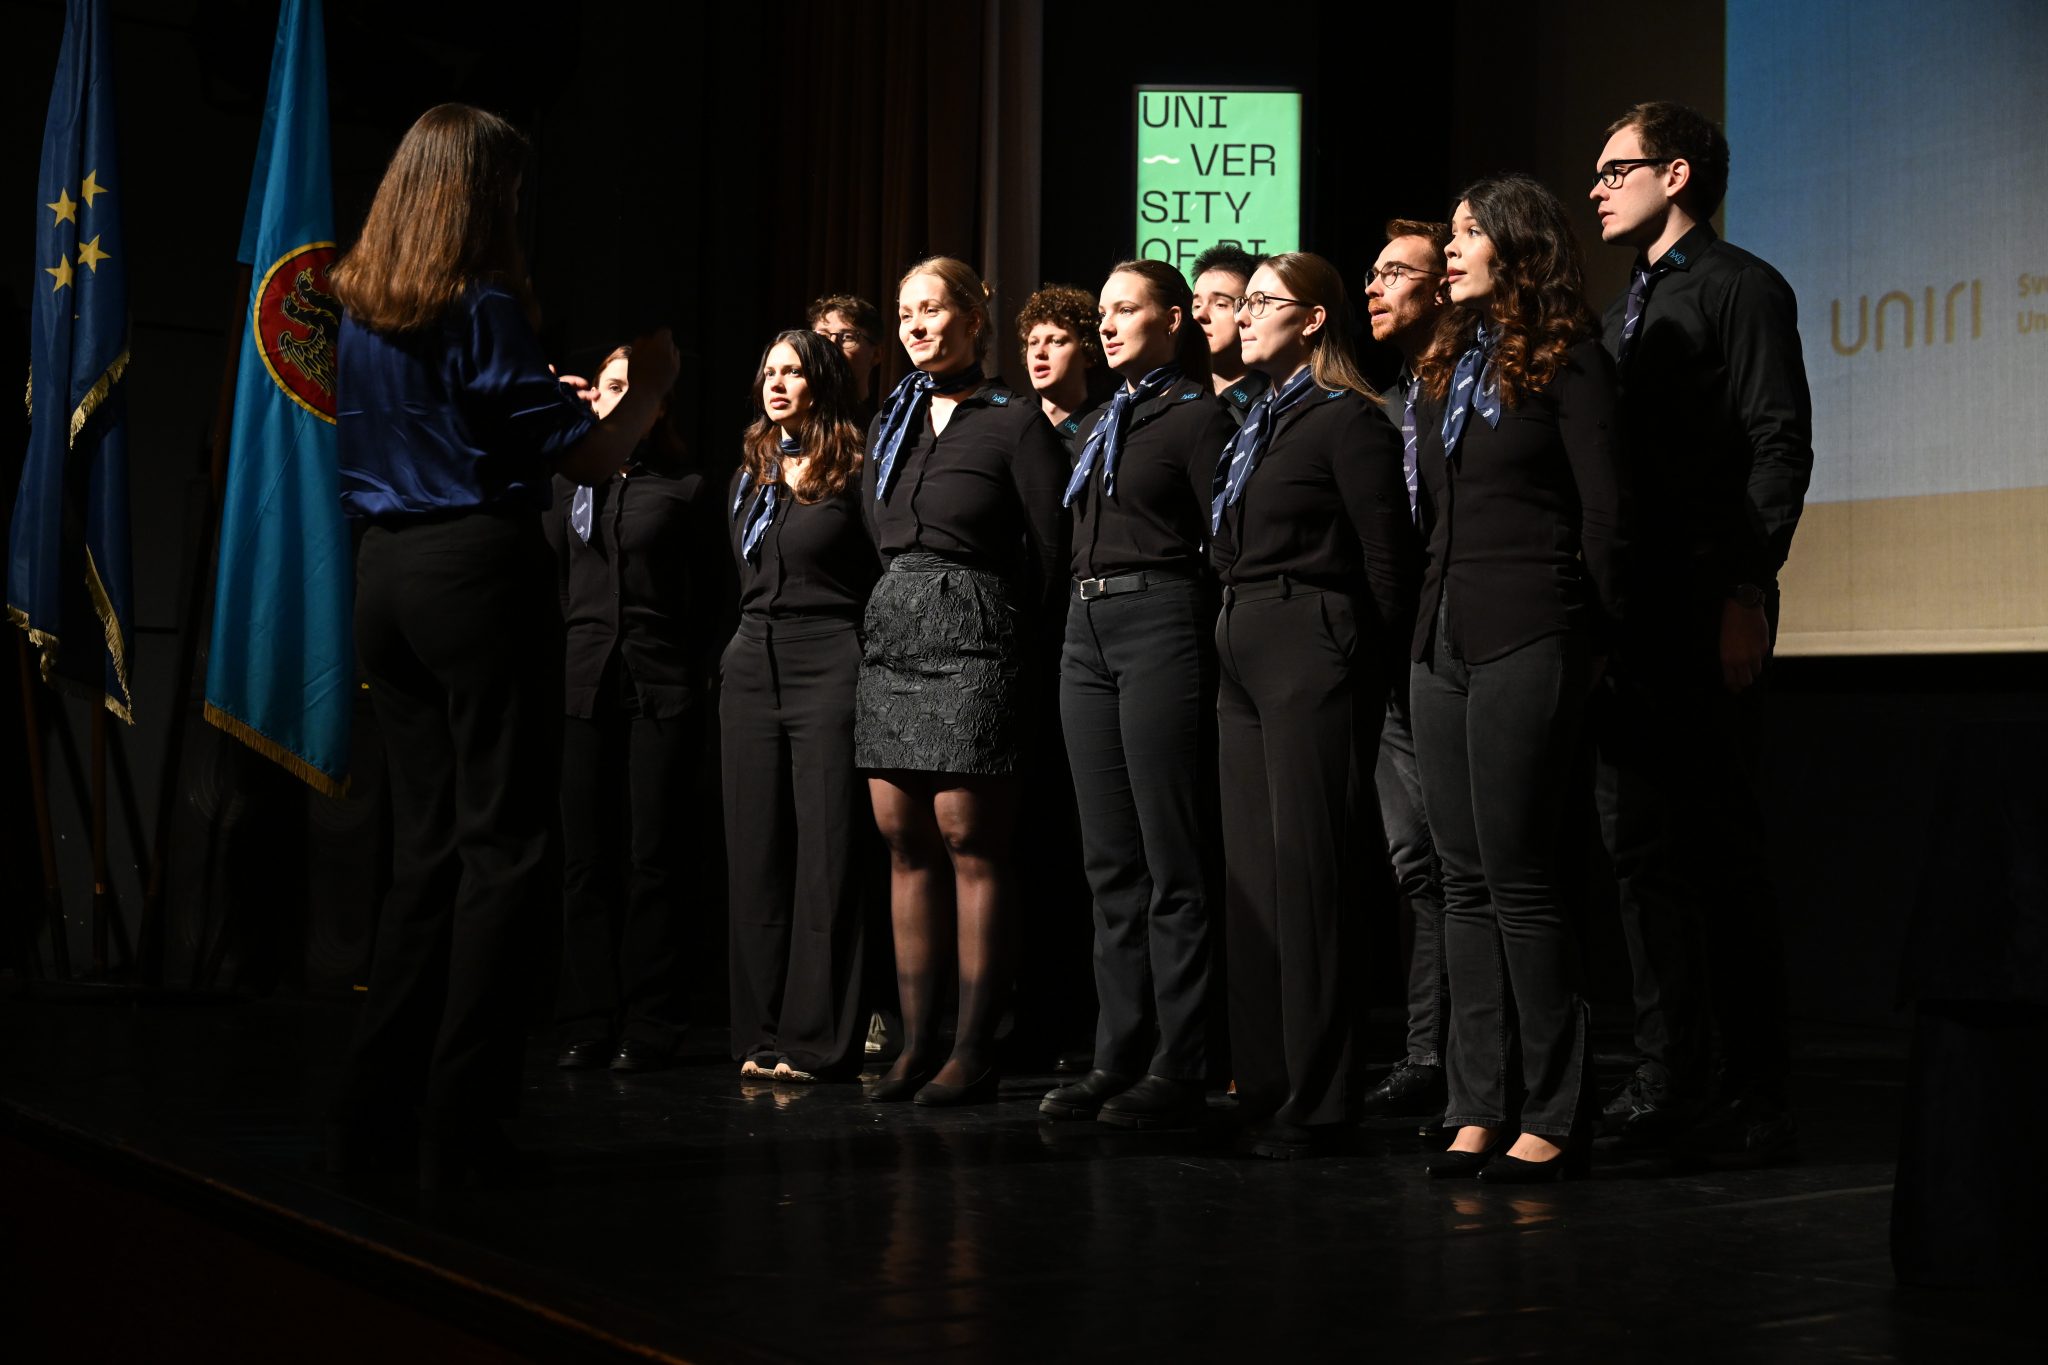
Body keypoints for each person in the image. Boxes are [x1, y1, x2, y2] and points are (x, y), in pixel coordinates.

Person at [326, 103, 680, 1189]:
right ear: (478, 196)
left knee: (425, 850)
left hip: (384, 577)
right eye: (511, 193)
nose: (517, 211)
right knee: (504, 849)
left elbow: (452, 419)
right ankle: (463, 1121)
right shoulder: (480, 302)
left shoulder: (361, 308)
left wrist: (532, 408)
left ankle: (377, 1110)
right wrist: (649, 387)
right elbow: (591, 462)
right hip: (474, 575)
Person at [1588, 101, 1813, 1165]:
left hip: (1706, 600)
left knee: (1720, 853)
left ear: (1674, 175)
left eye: (1614, 169)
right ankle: (1665, 1077)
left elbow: (1777, 445)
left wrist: (1744, 592)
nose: (1595, 187)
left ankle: (1756, 1092)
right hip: (1629, 615)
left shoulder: (1740, 287)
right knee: (1639, 854)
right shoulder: (1617, 313)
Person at [1408, 175, 1628, 1183]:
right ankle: (1475, 1105)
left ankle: (1553, 1107)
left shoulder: (1569, 357)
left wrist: (1596, 639)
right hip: (1443, 638)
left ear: (1515, 243)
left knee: (1518, 875)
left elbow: (1604, 513)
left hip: (1531, 629)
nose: (1450, 249)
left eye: (1467, 233)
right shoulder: (1446, 366)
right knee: (1459, 882)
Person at [1210, 252, 1419, 1157]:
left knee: (1309, 876)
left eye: (1263, 301)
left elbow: (1388, 562)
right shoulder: (1257, 421)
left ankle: (1322, 1094)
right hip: (1242, 642)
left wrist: (1364, 668)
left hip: (1310, 641)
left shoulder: (1348, 420)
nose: (1245, 314)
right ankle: (1265, 1079)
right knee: (1253, 880)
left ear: (1314, 319)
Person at [857, 255, 1068, 1106]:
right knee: (901, 834)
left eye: (932, 308)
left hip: (978, 633)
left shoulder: (1016, 421)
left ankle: (976, 1047)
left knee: (966, 834)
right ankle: (918, 1043)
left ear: (973, 319)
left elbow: (1050, 553)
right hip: (895, 632)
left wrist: (1018, 644)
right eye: (905, 310)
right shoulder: (892, 421)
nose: (914, 323)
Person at [1037, 260, 1234, 1130]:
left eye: (1126, 309)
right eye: (1104, 312)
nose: (1108, 324)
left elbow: (1224, 541)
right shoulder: (1098, 421)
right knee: (1109, 861)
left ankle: (1179, 1063)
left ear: (1174, 319)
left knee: (1171, 857)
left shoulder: (1198, 416)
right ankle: (1115, 1054)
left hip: (1161, 618)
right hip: (1086, 630)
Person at [543, 344, 718, 1076]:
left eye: (628, 388)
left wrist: (695, 676)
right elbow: (555, 584)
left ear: (656, 407)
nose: (611, 398)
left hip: (661, 685)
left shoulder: (686, 489)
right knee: (586, 858)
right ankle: (587, 1019)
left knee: (655, 858)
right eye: (606, 386)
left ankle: (652, 1021)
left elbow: (711, 596)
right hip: (583, 683)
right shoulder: (564, 485)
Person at [722, 329, 881, 1083]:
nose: (777, 383)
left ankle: (817, 1038)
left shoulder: (857, 465)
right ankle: (758, 1032)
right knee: (754, 850)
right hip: (752, 660)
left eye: (792, 371)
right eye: (769, 371)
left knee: (829, 851)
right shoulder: (751, 470)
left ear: (821, 379)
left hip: (829, 657)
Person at [1356, 220, 1453, 1128]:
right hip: (1395, 663)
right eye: (1373, 273)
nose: (1376, 287)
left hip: (1462, 652)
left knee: (1469, 863)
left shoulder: (1477, 393)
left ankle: (1476, 1058)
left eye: (1397, 272)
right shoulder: (1384, 411)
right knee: (1412, 860)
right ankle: (1426, 1052)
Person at [1017, 283, 1108, 453]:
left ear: (1088, 352)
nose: (1039, 352)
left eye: (1056, 341)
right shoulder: (1015, 434)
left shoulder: (1105, 434)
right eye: (1033, 342)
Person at [1188, 245, 1269, 425]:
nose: (1200, 315)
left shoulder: (1274, 405)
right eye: (1196, 305)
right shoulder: (1172, 394)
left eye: (1220, 304)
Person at [809, 293, 883, 411]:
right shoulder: (792, 417)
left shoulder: (884, 423)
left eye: (848, 337)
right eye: (822, 336)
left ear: (876, 354)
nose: (831, 345)